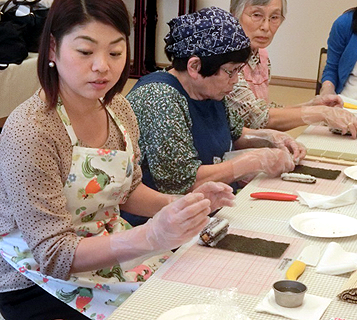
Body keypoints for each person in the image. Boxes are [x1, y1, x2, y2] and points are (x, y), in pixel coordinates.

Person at [0, 1, 236, 319]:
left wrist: (181, 205)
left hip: (107, 249)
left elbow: (127, 191)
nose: (102, 67)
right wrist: (150, 236)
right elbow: (54, 255)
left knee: (202, 293)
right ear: (52, 49)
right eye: (85, 52)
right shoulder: (31, 130)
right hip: (34, 280)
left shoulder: (119, 110)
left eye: (115, 52)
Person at [125, 7, 305, 224]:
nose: (236, 79)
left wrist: (270, 137)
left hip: (212, 209)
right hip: (166, 224)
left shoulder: (209, 89)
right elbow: (181, 182)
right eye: (232, 71)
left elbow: (235, 133)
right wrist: (252, 161)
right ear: (195, 66)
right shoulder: (159, 97)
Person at [226, 0, 357, 139]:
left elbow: (264, 109)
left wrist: (312, 105)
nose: (266, 27)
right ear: (234, 15)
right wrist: (321, 113)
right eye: (256, 15)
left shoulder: (260, 55)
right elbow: (257, 118)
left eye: (274, 17)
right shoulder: (226, 56)